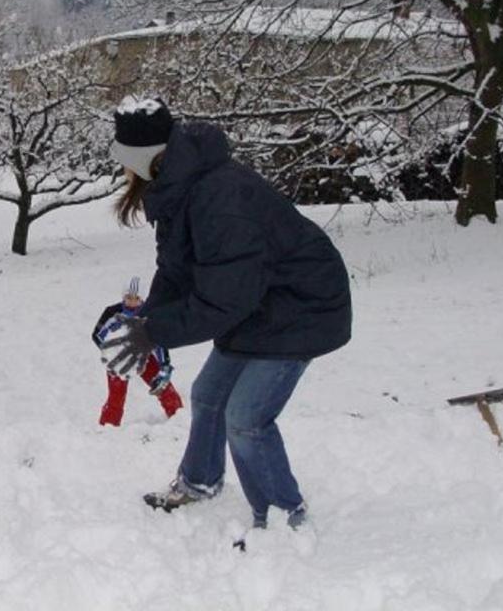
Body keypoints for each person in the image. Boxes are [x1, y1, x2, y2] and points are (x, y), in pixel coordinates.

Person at [103, 94, 352, 530]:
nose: (121, 169)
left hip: (300, 305)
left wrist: (156, 330)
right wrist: (148, 325)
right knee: (208, 395)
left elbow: (224, 299)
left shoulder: (219, 199)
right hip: (261, 301)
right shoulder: (179, 184)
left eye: (124, 158)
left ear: (145, 158)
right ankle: (199, 481)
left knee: (247, 418)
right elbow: (176, 270)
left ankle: (282, 517)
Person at [91, 276, 183, 426]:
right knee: (116, 396)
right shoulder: (113, 314)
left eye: (136, 298)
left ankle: (178, 414)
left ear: (143, 299)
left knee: (162, 386)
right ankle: (108, 426)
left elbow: (160, 342)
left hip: (144, 357)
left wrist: (165, 365)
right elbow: (97, 335)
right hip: (118, 361)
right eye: (128, 297)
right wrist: (112, 351)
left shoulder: (150, 314)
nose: (132, 302)